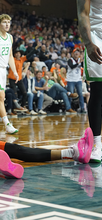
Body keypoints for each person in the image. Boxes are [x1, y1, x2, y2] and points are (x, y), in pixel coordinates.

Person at [77, 0, 102, 162]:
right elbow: (82, 13)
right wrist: (88, 43)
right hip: (97, 36)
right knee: (99, 90)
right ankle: (97, 145)